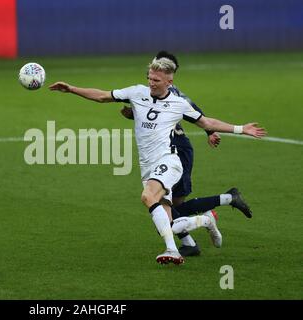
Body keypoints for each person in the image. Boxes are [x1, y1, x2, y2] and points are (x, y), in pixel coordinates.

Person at [49, 56, 266, 265]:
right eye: (150, 78)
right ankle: (206, 221)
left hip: (169, 161)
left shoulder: (178, 104)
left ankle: (172, 251)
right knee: (167, 224)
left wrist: (241, 129)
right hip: (147, 166)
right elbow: (103, 96)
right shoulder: (136, 92)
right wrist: (71, 89)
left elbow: (207, 122)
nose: (151, 83)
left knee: (147, 196)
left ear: (169, 82)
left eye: (156, 80)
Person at [120, 51, 253, 257]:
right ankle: (190, 242)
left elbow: (197, 114)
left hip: (177, 149)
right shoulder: (149, 90)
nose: (152, 71)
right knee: (169, 208)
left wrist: (212, 131)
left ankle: (224, 202)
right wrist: (132, 113)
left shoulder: (174, 94)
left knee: (171, 208)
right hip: (163, 151)